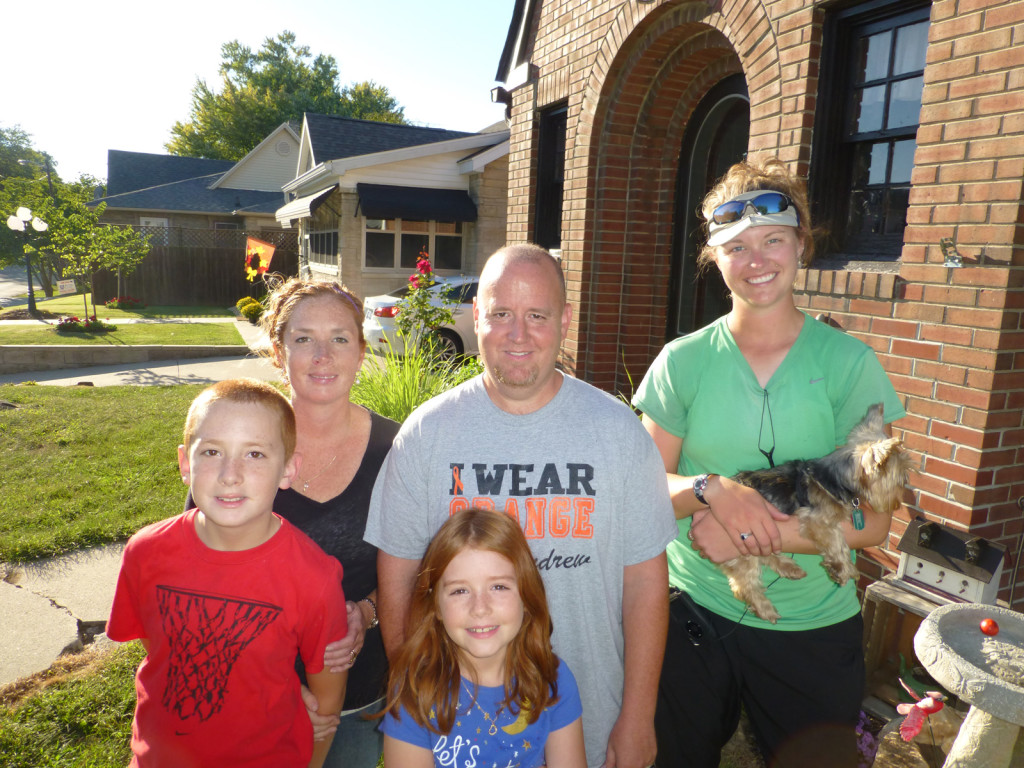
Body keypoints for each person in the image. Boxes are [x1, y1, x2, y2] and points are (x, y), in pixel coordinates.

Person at [631, 158, 906, 768]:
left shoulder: (849, 365)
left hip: (812, 625)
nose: (756, 261)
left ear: (801, 244)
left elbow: (874, 521)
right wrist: (712, 490)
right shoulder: (683, 363)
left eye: (773, 240)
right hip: (692, 614)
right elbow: (643, 486)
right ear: (714, 257)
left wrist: (750, 533)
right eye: (737, 246)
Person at [365, 244, 678, 768]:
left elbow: (646, 582)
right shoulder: (427, 434)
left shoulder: (617, 432)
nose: (518, 334)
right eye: (501, 314)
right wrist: (416, 696)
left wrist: (638, 715)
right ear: (477, 317)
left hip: (593, 713)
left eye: (537, 315)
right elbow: (398, 573)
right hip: (454, 725)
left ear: (564, 320)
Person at [108, 378, 348, 768]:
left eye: (255, 454)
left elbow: (327, 704)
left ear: (288, 468)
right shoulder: (145, 552)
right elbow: (161, 646)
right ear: (186, 463)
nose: (230, 474)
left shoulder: (314, 577)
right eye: (213, 452)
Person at [257, 277, 401, 767]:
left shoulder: (398, 451)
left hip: (360, 691)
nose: (323, 355)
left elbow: (428, 563)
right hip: (251, 690)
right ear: (279, 352)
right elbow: (200, 561)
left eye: (339, 338)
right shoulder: (241, 440)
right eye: (303, 339)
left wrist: (366, 611)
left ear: (361, 352)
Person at [380, 507, 586, 768]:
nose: (480, 608)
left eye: (498, 587)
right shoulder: (415, 690)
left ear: (526, 596)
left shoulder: (552, 680)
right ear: (436, 607)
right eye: (460, 591)